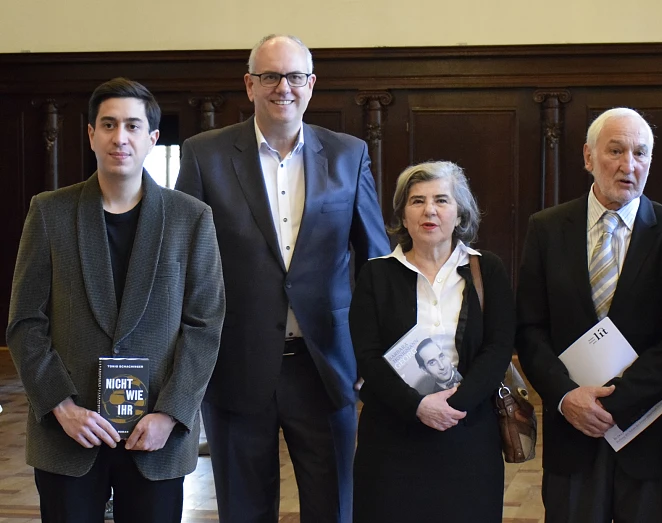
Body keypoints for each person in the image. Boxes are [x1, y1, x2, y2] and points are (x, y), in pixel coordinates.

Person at [175, 34, 389, 523]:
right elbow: (182, 261)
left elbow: (375, 262)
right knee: (244, 510)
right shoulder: (204, 155)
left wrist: (370, 351)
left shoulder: (349, 154)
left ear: (311, 85)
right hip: (234, 364)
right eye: (270, 76)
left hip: (326, 365)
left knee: (333, 507)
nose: (283, 88)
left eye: (294, 77)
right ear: (249, 85)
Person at [6, 78, 225, 523]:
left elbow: (205, 327)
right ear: (91, 134)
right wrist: (61, 406)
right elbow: (26, 322)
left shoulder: (191, 218)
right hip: (70, 434)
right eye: (107, 124)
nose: (119, 137)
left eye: (131, 125)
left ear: (152, 139)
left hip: (156, 436)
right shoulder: (49, 212)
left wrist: (170, 412)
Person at [516, 107, 662, 523]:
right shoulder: (546, 229)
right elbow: (529, 328)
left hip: (650, 431)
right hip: (573, 429)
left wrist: (616, 401)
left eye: (641, 153)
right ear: (587, 157)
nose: (628, 165)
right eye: (615, 151)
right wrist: (566, 397)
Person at [349, 161, 514, 523]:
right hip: (393, 437)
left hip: (468, 432)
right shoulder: (375, 274)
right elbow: (368, 356)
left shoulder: (488, 270)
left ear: (460, 213)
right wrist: (418, 406)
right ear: (403, 216)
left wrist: (454, 404)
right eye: (417, 201)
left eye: (442, 199)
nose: (430, 210)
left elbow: (499, 347)